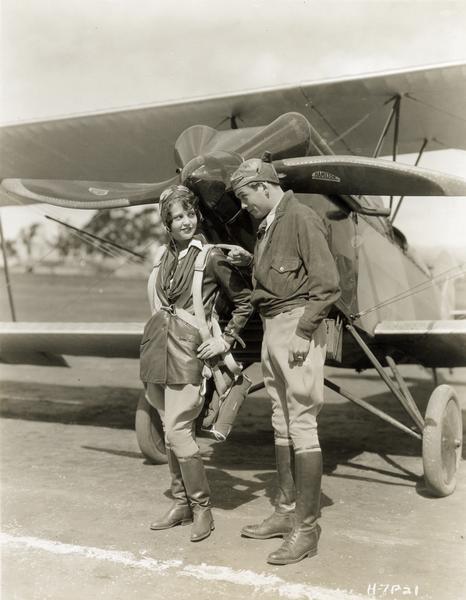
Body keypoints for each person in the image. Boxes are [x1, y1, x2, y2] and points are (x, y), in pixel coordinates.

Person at [229, 156, 341, 565]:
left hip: (295, 325)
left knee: (302, 422)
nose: (244, 205)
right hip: (273, 324)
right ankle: (285, 512)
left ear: (264, 186)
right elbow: (280, 275)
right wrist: (249, 261)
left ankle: (307, 531)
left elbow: (326, 284)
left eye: (245, 196)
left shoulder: (301, 217)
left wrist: (304, 332)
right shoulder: (271, 224)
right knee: (281, 419)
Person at [140, 184, 252, 542]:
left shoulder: (211, 257)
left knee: (177, 431)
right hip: (157, 351)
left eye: (190, 214)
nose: (186, 221)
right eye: (177, 217)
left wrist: (224, 339)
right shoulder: (161, 259)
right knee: (168, 427)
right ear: (167, 224)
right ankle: (181, 504)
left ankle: (202, 508)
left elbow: (246, 300)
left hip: (191, 353)